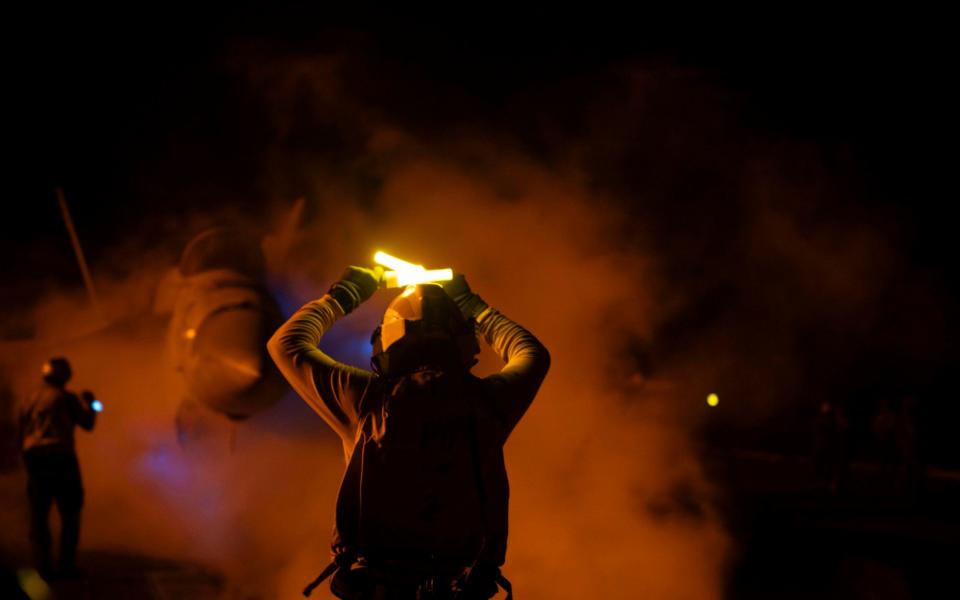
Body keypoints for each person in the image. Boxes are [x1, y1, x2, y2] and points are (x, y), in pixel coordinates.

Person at [268, 266, 550, 599]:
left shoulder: (365, 401)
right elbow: (533, 354)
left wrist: (345, 294)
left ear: (387, 341)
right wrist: (473, 305)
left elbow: (286, 344)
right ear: (464, 340)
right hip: (460, 589)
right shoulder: (488, 404)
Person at [17, 357, 97, 579]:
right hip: (61, 459)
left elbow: (20, 430)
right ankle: (66, 565)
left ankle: (42, 566)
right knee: (70, 512)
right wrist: (91, 404)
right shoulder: (66, 398)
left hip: (34, 459)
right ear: (65, 376)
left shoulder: (28, 398)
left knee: (39, 514)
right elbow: (87, 424)